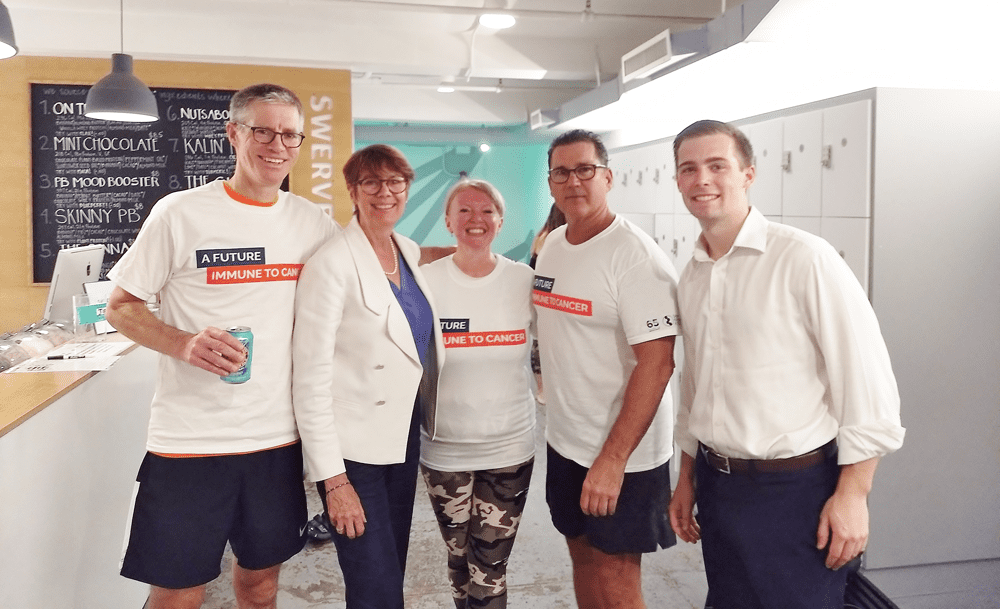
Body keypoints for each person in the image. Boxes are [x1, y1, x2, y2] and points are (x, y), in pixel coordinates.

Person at [106, 83, 338, 609]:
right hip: (190, 442)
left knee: (260, 586)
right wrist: (184, 343)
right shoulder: (180, 213)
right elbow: (120, 306)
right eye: (262, 130)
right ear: (233, 133)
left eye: (290, 135)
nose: (276, 145)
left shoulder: (312, 223)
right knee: (179, 592)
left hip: (276, 442)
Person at [667, 120, 905, 609]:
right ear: (677, 182)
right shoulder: (692, 274)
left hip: (794, 492)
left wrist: (854, 494)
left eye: (717, 166)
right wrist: (686, 476)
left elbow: (867, 382)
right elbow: (696, 385)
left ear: (748, 174)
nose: (702, 180)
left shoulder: (804, 259)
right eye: (689, 169)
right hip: (719, 487)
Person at [291, 144, 445, 609]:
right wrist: (333, 482)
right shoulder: (332, 263)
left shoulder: (408, 251)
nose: (385, 192)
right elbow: (310, 378)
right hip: (353, 454)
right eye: (371, 183)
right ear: (352, 191)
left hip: (400, 439)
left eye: (395, 182)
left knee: (390, 571)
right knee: (373, 583)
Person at [532, 129, 680, 609]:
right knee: (582, 558)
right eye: (562, 171)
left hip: (624, 454)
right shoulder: (553, 244)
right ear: (551, 182)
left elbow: (657, 364)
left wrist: (613, 461)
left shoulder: (635, 256)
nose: (573, 181)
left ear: (608, 177)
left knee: (617, 578)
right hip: (566, 441)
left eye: (585, 170)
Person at [419, 178, 536, 609]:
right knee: (457, 559)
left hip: (508, 450)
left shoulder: (523, 280)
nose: (475, 219)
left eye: (486, 211)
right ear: (448, 221)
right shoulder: (425, 282)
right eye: (464, 211)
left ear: (500, 222)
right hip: (444, 452)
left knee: (489, 569)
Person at [528, 204, 566, 405]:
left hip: (540, 293)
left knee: (539, 341)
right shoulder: (561, 240)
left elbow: (532, 268)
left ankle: (542, 390)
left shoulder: (542, 237)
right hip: (557, 294)